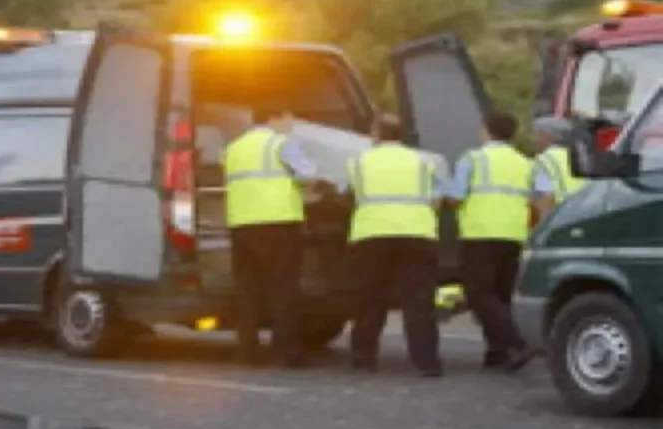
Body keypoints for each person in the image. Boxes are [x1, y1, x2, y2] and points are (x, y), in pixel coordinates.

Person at [344, 114, 443, 376]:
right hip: (417, 233)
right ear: (402, 134)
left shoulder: (359, 161)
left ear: (376, 134)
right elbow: (437, 199)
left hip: (371, 234)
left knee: (369, 299)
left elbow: (350, 194)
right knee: (419, 302)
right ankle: (427, 362)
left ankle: (363, 358)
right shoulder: (424, 161)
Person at [222, 107, 320, 368]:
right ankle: (288, 352)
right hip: (279, 223)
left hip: (242, 224)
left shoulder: (234, 147)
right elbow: (308, 175)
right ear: (275, 116)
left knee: (247, 290)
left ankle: (249, 353)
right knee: (283, 288)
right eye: (289, 119)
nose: (291, 125)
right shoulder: (282, 144)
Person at [445, 112, 535, 373]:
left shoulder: (473, 159)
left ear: (486, 131)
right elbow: (536, 198)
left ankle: (517, 343)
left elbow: (456, 196)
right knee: (501, 294)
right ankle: (497, 353)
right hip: (514, 234)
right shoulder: (524, 162)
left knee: (478, 293)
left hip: (480, 233)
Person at [532, 116, 585, 219]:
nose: (535, 139)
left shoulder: (545, 159)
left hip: (560, 216)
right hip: (583, 213)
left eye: (537, 134)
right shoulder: (579, 155)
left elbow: (546, 196)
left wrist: (545, 227)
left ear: (547, 136)